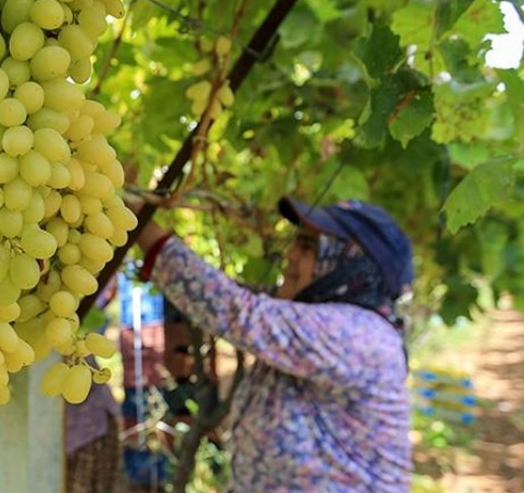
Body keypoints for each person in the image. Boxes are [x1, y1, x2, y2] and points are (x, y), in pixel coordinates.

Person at [130, 196, 413, 492]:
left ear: (349, 264)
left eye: (307, 247)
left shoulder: (360, 334)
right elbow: (229, 295)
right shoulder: (316, 322)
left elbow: (232, 309)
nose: (289, 255)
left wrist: (142, 226)